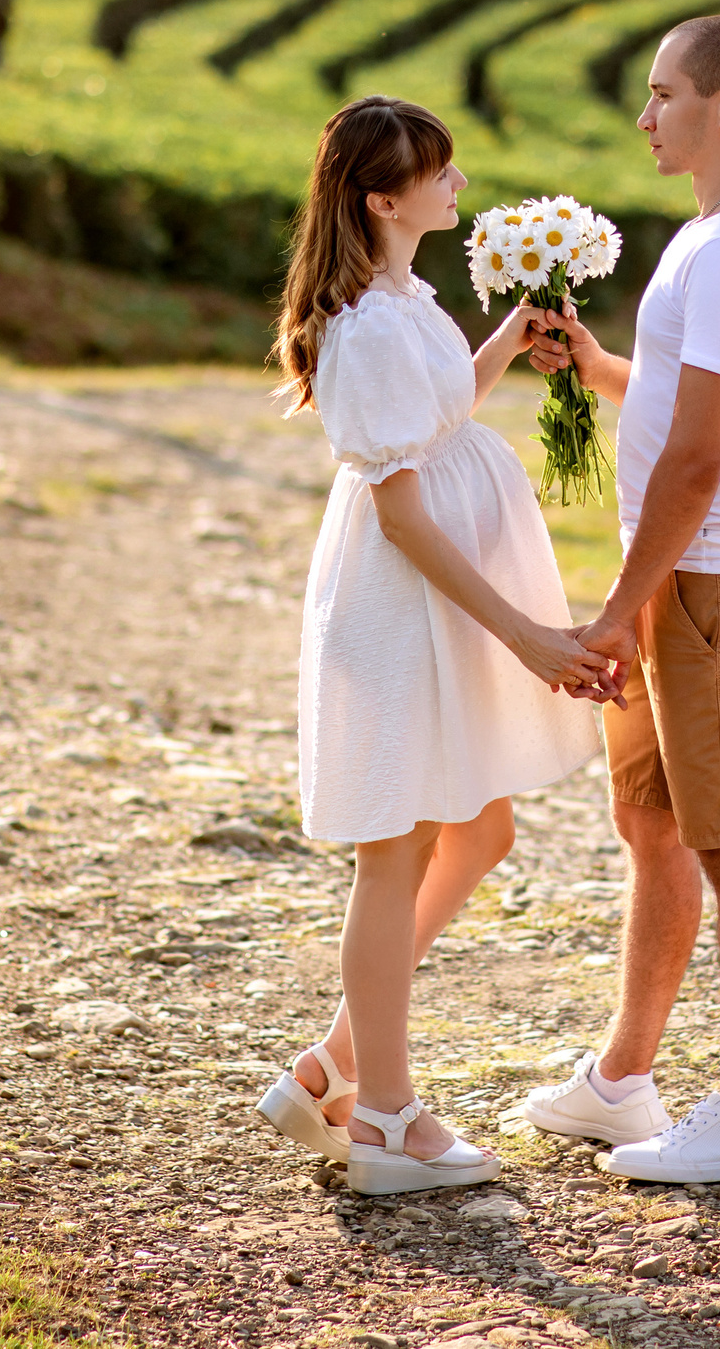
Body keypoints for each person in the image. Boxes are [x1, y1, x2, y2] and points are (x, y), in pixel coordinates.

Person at [255, 94, 613, 1196]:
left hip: (440, 597)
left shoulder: (403, 297)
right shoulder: (359, 328)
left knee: (480, 830)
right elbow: (404, 514)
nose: (458, 186)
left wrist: (511, 337)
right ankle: (384, 1122)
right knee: (399, 847)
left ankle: (331, 1065)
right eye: (439, 172)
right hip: (405, 603)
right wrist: (525, 637)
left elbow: (441, 411)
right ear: (382, 197)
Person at [517, 15, 720, 1184]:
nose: (644, 118)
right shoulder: (718, 234)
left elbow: (699, 460)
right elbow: (687, 399)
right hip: (675, 586)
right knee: (651, 826)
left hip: (710, 586)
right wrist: (597, 368)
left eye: (662, 95)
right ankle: (622, 1081)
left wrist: (615, 611)